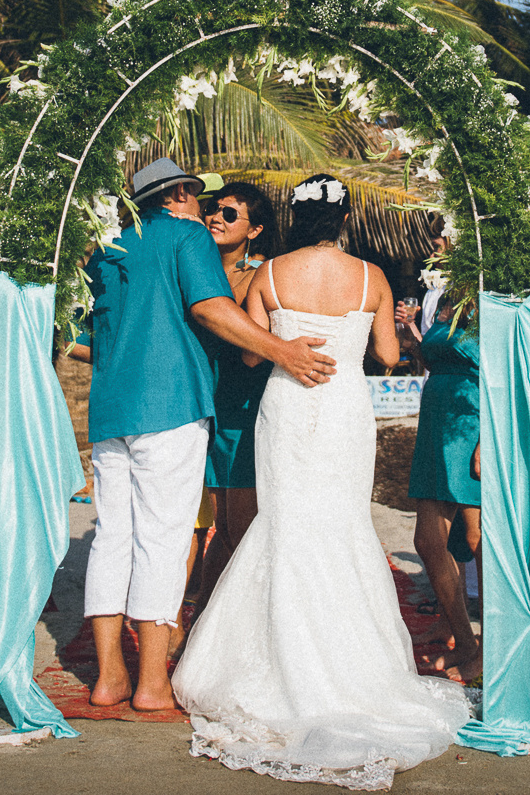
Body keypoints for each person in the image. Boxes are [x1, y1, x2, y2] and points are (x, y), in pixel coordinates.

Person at [172, 174, 470, 787]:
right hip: (342, 411)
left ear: (295, 218)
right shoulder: (372, 277)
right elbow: (388, 356)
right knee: (342, 523)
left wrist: (289, 339)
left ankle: (276, 663)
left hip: (287, 405)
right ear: (344, 219)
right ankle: (350, 665)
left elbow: (251, 354)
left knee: (284, 522)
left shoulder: (269, 272)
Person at [77, 157, 335, 712]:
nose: (205, 208)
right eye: (198, 196)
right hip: (170, 403)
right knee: (164, 539)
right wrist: (283, 351)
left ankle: (108, 677)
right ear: (179, 195)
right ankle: (150, 684)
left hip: (111, 409)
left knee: (112, 537)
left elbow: (78, 338)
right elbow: (212, 309)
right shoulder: (186, 234)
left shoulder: (106, 246)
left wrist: (128, 353)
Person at [198, 180, 276, 604]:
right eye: (214, 208)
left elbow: (254, 352)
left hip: (245, 408)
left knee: (242, 530)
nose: (216, 217)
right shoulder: (199, 266)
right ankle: (202, 622)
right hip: (207, 406)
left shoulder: (260, 276)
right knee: (223, 529)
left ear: (254, 230)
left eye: (230, 214)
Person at [404, 270, 482, 684]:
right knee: (428, 540)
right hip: (437, 421)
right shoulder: (446, 294)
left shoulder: (492, 295)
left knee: (477, 539)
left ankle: (491, 651)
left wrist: (488, 439)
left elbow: (503, 375)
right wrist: (413, 341)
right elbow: (437, 358)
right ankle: (464, 641)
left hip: (471, 421)